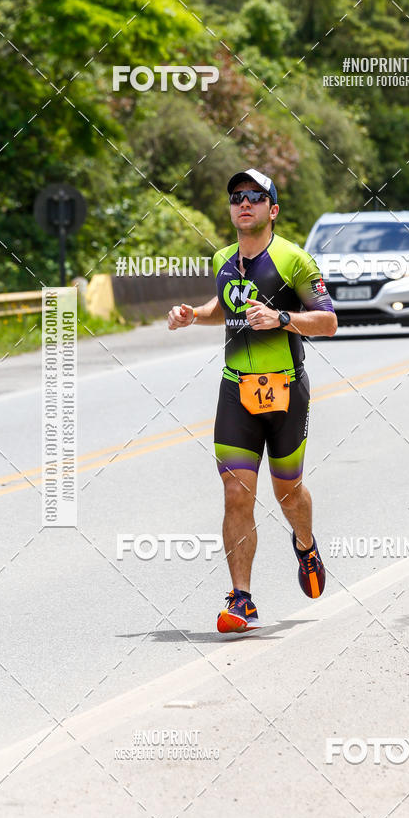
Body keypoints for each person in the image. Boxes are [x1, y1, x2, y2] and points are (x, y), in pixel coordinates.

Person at [168, 168, 337, 632]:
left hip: (285, 390)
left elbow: (328, 322)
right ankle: (242, 599)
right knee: (235, 493)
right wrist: (192, 315)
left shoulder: (294, 260)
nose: (244, 203)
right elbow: (223, 307)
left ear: (272, 209)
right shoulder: (224, 257)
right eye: (237, 197)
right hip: (235, 390)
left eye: (255, 197)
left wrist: (281, 317)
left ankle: (305, 544)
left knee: (287, 491)